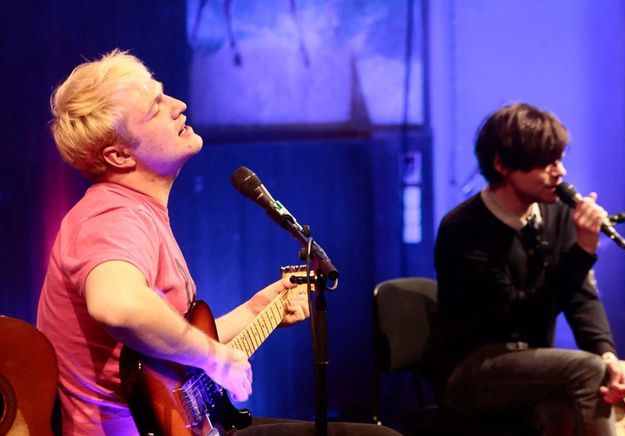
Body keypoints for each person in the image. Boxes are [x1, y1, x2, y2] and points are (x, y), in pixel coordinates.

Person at [37, 50, 399, 436]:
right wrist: (216, 358)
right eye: (155, 108)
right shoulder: (110, 218)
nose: (179, 106)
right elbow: (118, 306)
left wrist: (258, 311)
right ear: (119, 155)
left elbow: (170, 349)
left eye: (165, 95)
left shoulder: (134, 213)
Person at [424, 102, 625, 435]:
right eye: (547, 162)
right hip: (469, 370)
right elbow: (519, 316)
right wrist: (583, 251)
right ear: (502, 164)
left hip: (531, 362)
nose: (560, 172)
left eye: (560, 159)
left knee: (584, 387)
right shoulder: (463, 229)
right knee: (586, 370)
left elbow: (580, 296)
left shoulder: (557, 213)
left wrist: (605, 352)